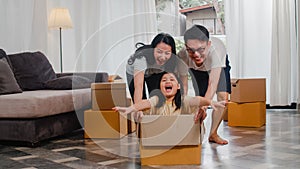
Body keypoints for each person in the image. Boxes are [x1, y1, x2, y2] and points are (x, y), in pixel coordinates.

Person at [177, 25, 231, 145]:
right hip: (197, 70)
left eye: (201, 49)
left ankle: (213, 133)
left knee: (223, 97)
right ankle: (197, 131)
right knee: (200, 100)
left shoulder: (217, 51)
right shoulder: (182, 55)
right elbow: (184, 85)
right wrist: (183, 104)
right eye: (191, 50)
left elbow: (212, 83)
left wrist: (204, 107)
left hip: (217, 67)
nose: (196, 54)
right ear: (186, 47)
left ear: (209, 44)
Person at [113, 72, 225, 120]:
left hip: (183, 136)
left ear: (178, 86)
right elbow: (144, 103)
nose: (167, 81)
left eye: (172, 79)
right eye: (164, 80)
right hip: (161, 136)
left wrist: (211, 102)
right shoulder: (156, 100)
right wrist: (130, 108)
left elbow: (197, 100)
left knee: (200, 113)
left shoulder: (183, 100)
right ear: (160, 87)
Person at [126, 33, 182, 105]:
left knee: (157, 96)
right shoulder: (141, 59)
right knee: (141, 100)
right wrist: (138, 108)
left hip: (155, 72)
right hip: (134, 73)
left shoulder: (172, 61)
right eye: (159, 52)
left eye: (167, 53)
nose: (162, 57)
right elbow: (138, 86)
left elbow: (175, 85)